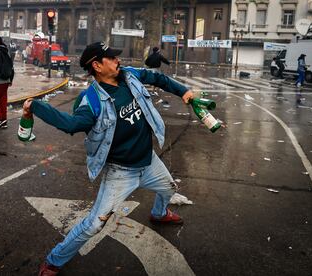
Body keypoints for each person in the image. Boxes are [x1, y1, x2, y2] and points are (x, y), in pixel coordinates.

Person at [22, 41, 194, 276]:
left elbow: (159, 79)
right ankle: (54, 261)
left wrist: (183, 91)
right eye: (111, 58)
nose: (118, 61)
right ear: (97, 66)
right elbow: (71, 124)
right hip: (121, 172)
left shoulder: (129, 75)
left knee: (168, 188)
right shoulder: (90, 100)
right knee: (94, 224)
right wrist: (37, 106)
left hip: (149, 160)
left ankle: (159, 213)